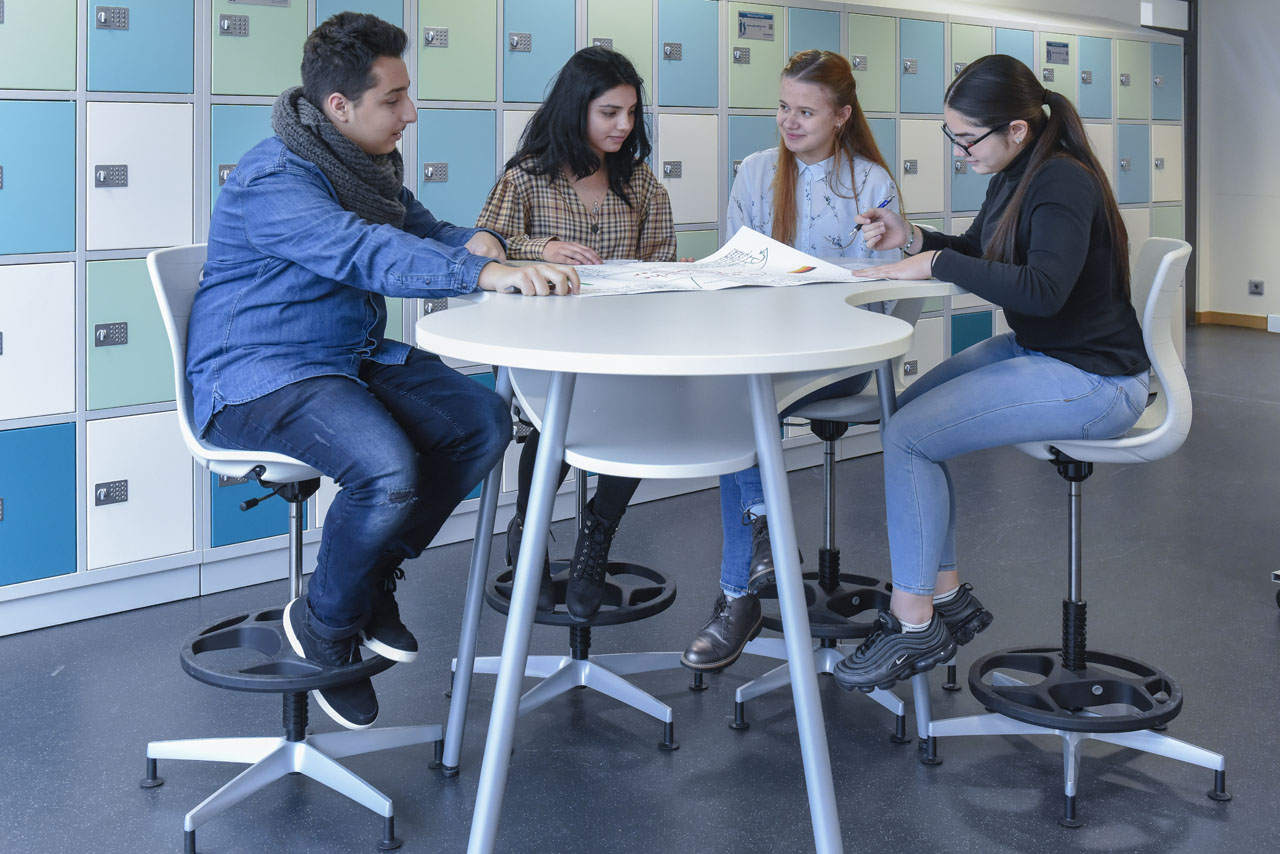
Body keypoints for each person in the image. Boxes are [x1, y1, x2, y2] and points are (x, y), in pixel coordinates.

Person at [186, 13, 579, 730]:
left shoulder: (365, 167)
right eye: (393, 99)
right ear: (340, 106)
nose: (411, 112)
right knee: (387, 468)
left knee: (481, 420)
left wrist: (498, 247)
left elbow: (425, 233)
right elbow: (359, 249)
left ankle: (365, 580)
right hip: (259, 374)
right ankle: (326, 623)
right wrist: (480, 271)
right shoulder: (275, 176)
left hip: (343, 359)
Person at [831, 53, 1150, 692]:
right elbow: (980, 251)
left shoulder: (1062, 180)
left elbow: (1042, 291)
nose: (959, 153)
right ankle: (946, 595)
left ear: (1017, 129)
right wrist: (912, 238)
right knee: (906, 418)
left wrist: (933, 265)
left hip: (1096, 380)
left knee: (909, 436)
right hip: (1045, 352)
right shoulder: (1016, 172)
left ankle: (913, 618)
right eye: (952, 137)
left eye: (968, 139)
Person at [681, 50, 902, 671]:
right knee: (740, 394)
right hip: (762, 352)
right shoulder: (754, 173)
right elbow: (732, 270)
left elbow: (887, 293)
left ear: (841, 116)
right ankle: (762, 539)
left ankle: (739, 595)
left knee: (739, 403)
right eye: (783, 107)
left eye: (806, 111)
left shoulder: (871, 183)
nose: (789, 121)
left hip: (837, 359)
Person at [476, 46, 676, 621]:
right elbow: (485, 246)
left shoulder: (640, 182)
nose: (624, 126)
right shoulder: (526, 177)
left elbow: (662, 261)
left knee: (637, 420)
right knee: (556, 422)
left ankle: (598, 534)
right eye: (609, 112)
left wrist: (665, 275)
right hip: (548, 343)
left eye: (631, 113)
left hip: (624, 340)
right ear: (575, 108)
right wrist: (542, 248)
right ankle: (529, 530)